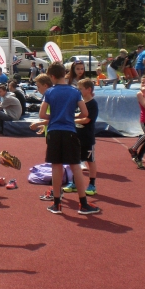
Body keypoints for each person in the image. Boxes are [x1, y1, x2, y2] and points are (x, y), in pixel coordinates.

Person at [39, 62, 100, 215]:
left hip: (54, 131)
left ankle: (57, 203)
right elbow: (85, 113)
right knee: (75, 166)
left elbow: (41, 115)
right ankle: (83, 203)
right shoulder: (74, 92)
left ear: (52, 76)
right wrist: (70, 117)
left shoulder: (50, 92)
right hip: (69, 131)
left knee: (56, 166)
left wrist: (55, 117)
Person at [63, 78, 99, 196]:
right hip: (76, 136)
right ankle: (73, 182)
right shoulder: (79, 102)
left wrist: (71, 120)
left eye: (80, 89)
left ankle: (92, 184)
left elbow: (86, 120)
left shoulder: (92, 104)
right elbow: (77, 114)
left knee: (89, 160)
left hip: (87, 138)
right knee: (74, 161)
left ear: (88, 90)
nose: (78, 91)